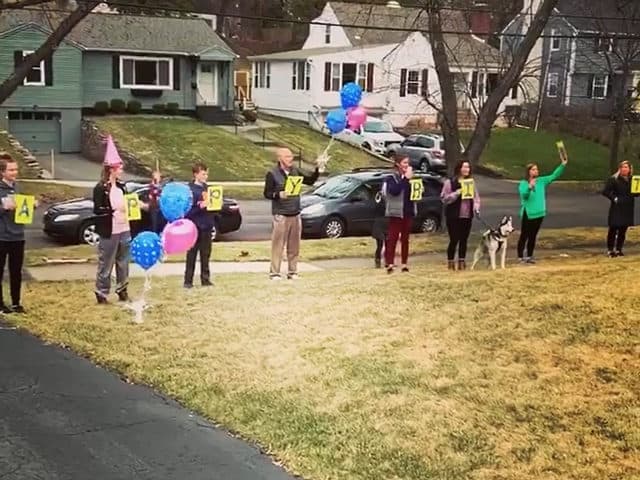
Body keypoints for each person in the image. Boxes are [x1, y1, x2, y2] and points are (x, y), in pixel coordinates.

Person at [263, 147, 322, 280]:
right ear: (280, 158)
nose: (291, 159)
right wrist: (278, 194)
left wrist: (318, 168)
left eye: (291, 156)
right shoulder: (272, 173)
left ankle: (293, 272)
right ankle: (275, 273)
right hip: (281, 214)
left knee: (294, 246)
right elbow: (267, 193)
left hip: (295, 213)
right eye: (287, 157)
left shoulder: (296, 170)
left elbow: (310, 180)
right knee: (278, 245)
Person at [94, 154, 134, 304]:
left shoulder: (122, 187)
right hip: (110, 229)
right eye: (119, 167)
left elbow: (129, 204)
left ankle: (122, 289)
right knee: (106, 261)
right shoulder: (100, 188)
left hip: (124, 227)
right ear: (111, 169)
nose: (121, 170)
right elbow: (97, 210)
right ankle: (101, 292)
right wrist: (114, 210)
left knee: (123, 261)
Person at [517, 154, 568, 264]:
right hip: (528, 213)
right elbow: (524, 195)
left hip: (539, 213)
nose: (536, 171)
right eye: (534, 169)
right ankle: (520, 256)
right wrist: (530, 187)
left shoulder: (541, 181)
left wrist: (562, 165)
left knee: (533, 235)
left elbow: (554, 176)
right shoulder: (523, 183)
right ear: (529, 172)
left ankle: (529, 256)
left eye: (537, 169)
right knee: (524, 235)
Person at [0, 153, 35, 314]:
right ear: (2, 172)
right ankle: (0, 304)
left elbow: (23, 207)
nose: (15, 172)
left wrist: (31, 205)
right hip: (2, 236)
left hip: (17, 235)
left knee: (16, 271)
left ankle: (16, 302)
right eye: (11, 170)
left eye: (16, 169)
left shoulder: (17, 187)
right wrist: (4, 207)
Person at [441, 159, 481, 271]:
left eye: (468, 167)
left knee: (464, 239)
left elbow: (476, 198)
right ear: (459, 168)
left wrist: (476, 208)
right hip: (453, 216)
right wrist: (457, 193)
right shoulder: (450, 182)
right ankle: (450, 262)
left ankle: (462, 261)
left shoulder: (471, 182)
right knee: (454, 239)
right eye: (464, 167)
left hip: (467, 215)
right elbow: (444, 198)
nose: (466, 169)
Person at [184, 162, 217, 288]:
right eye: (203, 174)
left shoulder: (208, 188)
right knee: (192, 254)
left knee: (205, 254)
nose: (206, 176)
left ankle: (205, 279)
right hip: (195, 227)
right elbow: (187, 210)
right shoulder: (190, 190)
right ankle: (188, 281)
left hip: (207, 226)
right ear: (196, 174)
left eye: (206, 174)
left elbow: (213, 206)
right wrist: (199, 206)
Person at [384, 153, 416, 273]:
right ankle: (390, 263)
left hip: (408, 211)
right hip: (396, 212)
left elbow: (413, 193)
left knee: (405, 239)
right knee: (393, 238)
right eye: (404, 163)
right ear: (398, 164)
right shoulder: (391, 178)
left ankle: (404, 263)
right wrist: (405, 179)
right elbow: (395, 191)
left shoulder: (410, 178)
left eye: (408, 163)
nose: (407, 166)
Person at [602, 160, 637, 257]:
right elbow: (605, 191)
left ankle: (618, 249)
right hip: (617, 206)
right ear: (619, 169)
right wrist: (614, 198)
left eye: (626, 167)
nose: (624, 169)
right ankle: (610, 250)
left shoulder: (632, 180)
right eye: (623, 167)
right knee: (613, 228)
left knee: (623, 229)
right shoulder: (614, 179)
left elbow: (635, 193)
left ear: (630, 169)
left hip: (627, 206)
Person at [371, 187, 388, 268]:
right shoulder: (378, 199)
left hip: (386, 222)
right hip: (379, 223)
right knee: (380, 244)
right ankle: (378, 260)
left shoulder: (389, 198)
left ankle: (387, 260)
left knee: (388, 243)